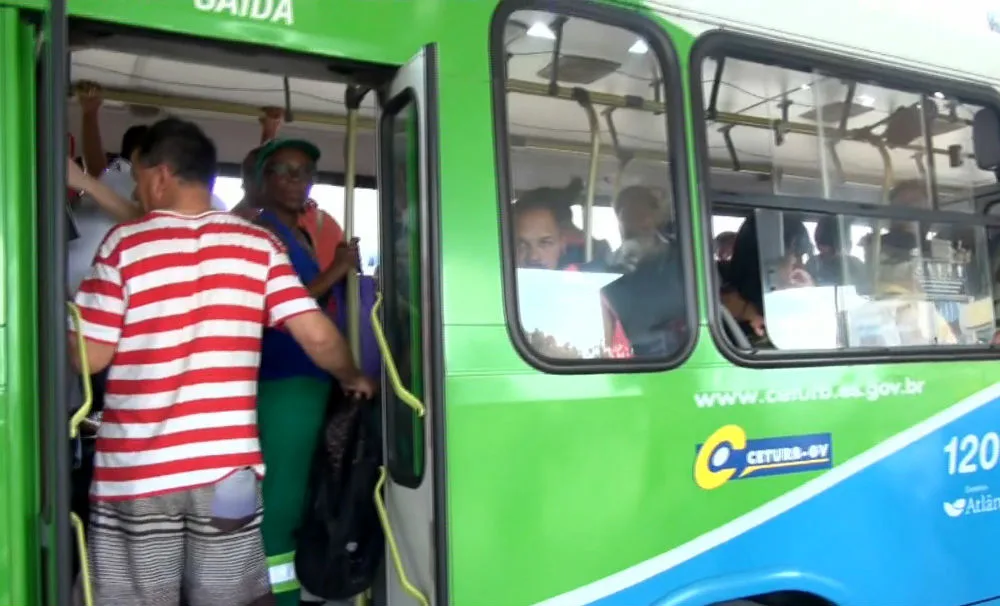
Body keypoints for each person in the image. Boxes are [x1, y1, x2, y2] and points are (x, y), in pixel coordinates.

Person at [68, 118, 375, 606]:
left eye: (140, 176)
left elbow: (90, 356)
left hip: (139, 471)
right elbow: (316, 333)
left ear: (159, 175)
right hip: (227, 474)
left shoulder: (125, 245)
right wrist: (353, 375)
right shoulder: (258, 246)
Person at [251, 138, 361, 605]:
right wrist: (336, 269)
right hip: (285, 377)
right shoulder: (263, 234)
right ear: (264, 180)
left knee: (301, 489)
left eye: (305, 173)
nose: (297, 181)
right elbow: (283, 307)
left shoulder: (299, 233)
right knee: (283, 496)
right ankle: (280, 597)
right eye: (285, 171)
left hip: (310, 379)